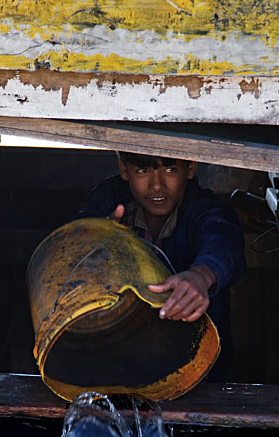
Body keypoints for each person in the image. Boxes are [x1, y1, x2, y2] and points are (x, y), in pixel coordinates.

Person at [76, 151, 245, 376]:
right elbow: (74, 243)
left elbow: (223, 242)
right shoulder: (108, 201)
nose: (157, 185)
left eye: (170, 170)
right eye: (143, 170)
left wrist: (202, 276)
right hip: (117, 359)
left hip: (196, 367)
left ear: (191, 167)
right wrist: (96, 238)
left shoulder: (205, 210)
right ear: (124, 169)